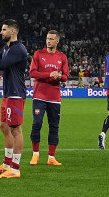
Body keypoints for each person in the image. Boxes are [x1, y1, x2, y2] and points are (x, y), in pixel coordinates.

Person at [0, 19, 28, 179]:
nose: (1, 32)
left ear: (13, 31)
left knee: (15, 130)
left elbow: (0, 65)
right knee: (4, 126)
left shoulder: (18, 49)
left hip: (15, 94)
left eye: (4, 30)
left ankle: (15, 168)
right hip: (7, 94)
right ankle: (6, 164)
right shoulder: (7, 47)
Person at [28, 29, 68, 166]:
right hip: (39, 95)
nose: (48, 41)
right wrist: (49, 75)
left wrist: (59, 77)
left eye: (51, 39)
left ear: (57, 41)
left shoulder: (62, 57)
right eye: (47, 38)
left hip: (54, 97)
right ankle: (35, 155)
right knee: (37, 123)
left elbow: (66, 77)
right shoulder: (39, 54)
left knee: (54, 126)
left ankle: (51, 157)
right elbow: (32, 73)